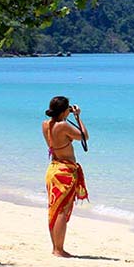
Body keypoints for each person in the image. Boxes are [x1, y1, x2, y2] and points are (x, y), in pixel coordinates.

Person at [41, 96, 89, 257]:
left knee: (54, 210)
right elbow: (84, 136)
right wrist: (77, 117)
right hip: (64, 172)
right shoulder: (63, 126)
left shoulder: (46, 124)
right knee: (62, 211)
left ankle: (56, 247)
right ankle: (58, 249)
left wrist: (67, 114)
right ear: (64, 111)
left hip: (53, 169)